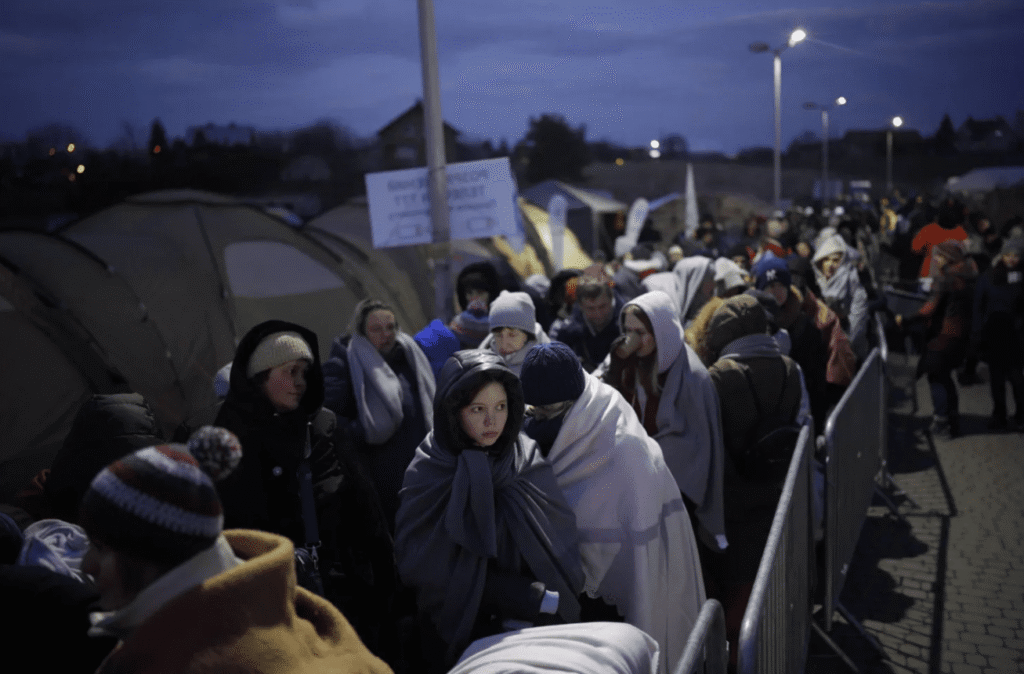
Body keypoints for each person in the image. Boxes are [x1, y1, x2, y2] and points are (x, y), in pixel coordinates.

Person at [78, 444, 392, 673]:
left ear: (149, 553)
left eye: (101, 547)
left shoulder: (186, 661)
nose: (85, 565)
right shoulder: (290, 613)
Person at [519, 342, 706, 674]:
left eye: (548, 413)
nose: (539, 422)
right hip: (576, 603)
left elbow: (631, 550)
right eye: (534, 413)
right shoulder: (554, 425)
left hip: (624, 588)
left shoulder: (621, 446)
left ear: (573, 404)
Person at [215, 320, 396, 655]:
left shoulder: (324, 426)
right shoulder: (231, 436)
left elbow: (366, 509)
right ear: (260, 376)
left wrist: (388, 583)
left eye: (305, 372)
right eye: (290, 371)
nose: (300, 382)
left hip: (343, 593)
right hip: (273, 606)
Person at [394, 351, 584, 669]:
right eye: (477, 409)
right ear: (453, 412)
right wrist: (512, 594)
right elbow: (421, 564)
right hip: (463, 638)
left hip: (539, 633)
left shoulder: (524, 456)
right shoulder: (429, 472)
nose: (492, 421)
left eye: (501, 407)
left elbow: (558, 536)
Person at [702, 294, 805, 668]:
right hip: (779, 493)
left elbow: (709, 444)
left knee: (738, 589)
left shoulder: (717, 376)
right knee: (770, 582)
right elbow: (803, 425)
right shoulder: (790, 368)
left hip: (734, 504)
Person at [601, 290, 727, 554]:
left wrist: (648, 458)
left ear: (661, 331)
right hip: (634, 480)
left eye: (641, 330)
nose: (634, 338)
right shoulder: (630, 359)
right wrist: (617, 366)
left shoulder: (693, 378)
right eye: (628, 330)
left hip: (675, 492)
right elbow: (606, 395)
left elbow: (698, 446)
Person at [322, 300, 435, 532]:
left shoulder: (409, 359)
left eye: (391, 327)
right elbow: (328, 419)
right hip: (378, 482)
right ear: (362, 332)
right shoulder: (345, 363)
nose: (386, 334)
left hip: (420, 475)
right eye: (377, 329)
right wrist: (361, 432)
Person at [896, 241, 979, 438]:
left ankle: (941, 422)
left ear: (948, 257)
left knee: (937, 377)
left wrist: (907, 318)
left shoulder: (946, 277)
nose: (936, 259)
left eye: (939, 256)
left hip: (943, 334)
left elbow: (930, 308)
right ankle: (953, 421)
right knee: (946, 378)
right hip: (960, 335)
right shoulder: (967, 275)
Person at [971, 237, 1024, 430]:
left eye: (1016, 256)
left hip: (1016, 335)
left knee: (1017, 377)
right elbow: (979, 303)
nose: (1012, 259)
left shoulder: (1021, 277)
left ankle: (1021, 413)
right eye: (1009, 255)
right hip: (993, 332)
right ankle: (999, 414)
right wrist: (977, 331)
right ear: (1002, 255)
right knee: (997, 377)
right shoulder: (990, 276)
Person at [549, 270, 624, 372]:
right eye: (591, 308)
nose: (598, 314)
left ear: (611, 299)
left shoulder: (630, 322)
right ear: (580, 305)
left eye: (602, 306)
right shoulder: (565, 330)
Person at [812, 233, 871, 362]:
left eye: (836, 260)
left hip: (847, 354)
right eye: (826, 260)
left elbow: (856, 331)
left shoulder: (855, 288)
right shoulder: (814, 284)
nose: (830, 265)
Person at [478, 290, 551, 377]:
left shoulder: (547, 365)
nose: (504, 344)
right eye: (498, 335)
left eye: (512, 335)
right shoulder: (483, 359)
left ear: (528, 334)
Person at [449, 261, 504, 349]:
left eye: (480, 293)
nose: (475, 298)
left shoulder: (502, 326)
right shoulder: (458, 324)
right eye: (470, 293)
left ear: (491, 294)